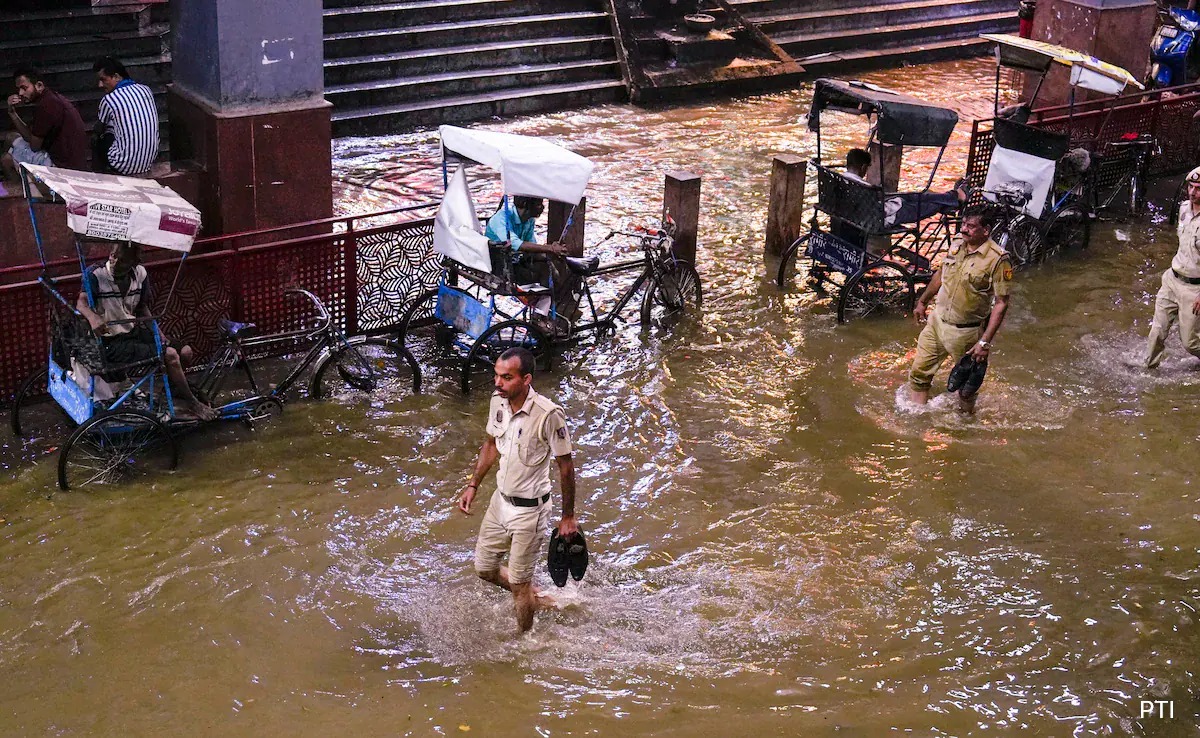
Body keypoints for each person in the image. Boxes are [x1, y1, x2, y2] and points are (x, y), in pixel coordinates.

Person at [458, 347, 578, 633]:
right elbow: (490, 445)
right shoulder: (497, 402)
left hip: (530, 511)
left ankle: (524, 642)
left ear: (526, 379)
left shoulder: (549, 415)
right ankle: (538, 598)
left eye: (506, 377)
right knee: (484, 569)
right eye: (496, 376)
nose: (498, 383)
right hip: (500, 503)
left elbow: (566, 466)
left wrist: (567, 518)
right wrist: (473, 484)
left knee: (519, 584)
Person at [76, 242, 216, 420]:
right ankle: (193, 403)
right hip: (110, 343)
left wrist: (160, 336)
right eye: (113, 256)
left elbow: (143, 309)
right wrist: (93, 317)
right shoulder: (95, 274)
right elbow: (81, 303)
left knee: (185, 351)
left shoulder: (140, 274)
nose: (115, 261)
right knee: (171, 355)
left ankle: (173, 391)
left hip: (132, 334)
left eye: (123, 260)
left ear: (134, 262)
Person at [907, 205, 1013, 413]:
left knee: (966, 387)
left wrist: (984, 342)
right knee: (919, 373)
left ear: (986, 230)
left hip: (966, 332)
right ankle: (914, 420)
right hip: (937, 323)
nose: (964, 229)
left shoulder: (998, 259)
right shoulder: (956, 244)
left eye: (971, 226)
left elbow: (1002, 303)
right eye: (963, 224)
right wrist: (923, 301)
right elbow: (941, 273)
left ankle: (965, 425)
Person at [1144, 165, 1200, 368]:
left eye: (1198, 188)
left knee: (1190, 343)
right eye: (1191, 187)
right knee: (1157, 331)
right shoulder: (1184, 208)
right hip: (1172, 278)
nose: (1193, 193)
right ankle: (1147, 369)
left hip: (1194, 289)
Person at [844, 148, 970, 226]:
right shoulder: (865, 188)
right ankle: (955, 200)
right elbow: (880, 210)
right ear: (863, 167)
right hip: (889, 215)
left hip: (884, 207)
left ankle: (953, 197)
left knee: (915, 196)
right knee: (929, 205)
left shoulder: (841, 180)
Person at [2, 68, 88, 180]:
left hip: (61, 168)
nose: (20, 93)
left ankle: (24, 193)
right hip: (66, 159)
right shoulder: (50, 98)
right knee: (11, 137)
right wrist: (12, 113)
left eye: (24, 88)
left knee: (6, 159)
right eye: (19, 89)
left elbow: (34, 146)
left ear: (39, 85)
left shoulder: (47, 106)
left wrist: (12, 114)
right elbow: (33, 138)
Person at [93, 57, 158, 176]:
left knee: (100, 137)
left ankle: (100, 176)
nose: (100, 85)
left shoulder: (109, 99)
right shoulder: (146, 90)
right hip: (148, 162)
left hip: (122, 165)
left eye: (103, 80)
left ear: (117, 77)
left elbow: (98, 129)